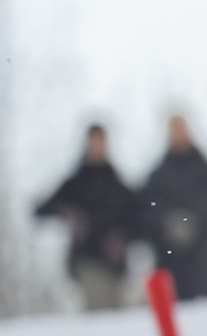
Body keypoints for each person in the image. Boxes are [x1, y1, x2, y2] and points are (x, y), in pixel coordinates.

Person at [34, 124, 144, 311]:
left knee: (119, 319)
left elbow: (141, 219)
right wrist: (67, 213)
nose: (97, 146)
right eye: (93, 141)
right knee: (98, 317)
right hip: (87, 262)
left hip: (116, 268)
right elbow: (40, 211)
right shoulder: (75, 184)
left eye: (101, 141)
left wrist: (124, 238)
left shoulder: (117, 185)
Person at [141, 115, 207, 301]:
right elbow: (148, 208)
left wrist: (190, 220)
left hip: (204, 258)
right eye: (174, 130)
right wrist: (170, 222)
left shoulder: (204, 170)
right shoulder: (158, 175)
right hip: (172, 261)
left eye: (181, 130)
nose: (178, 135)